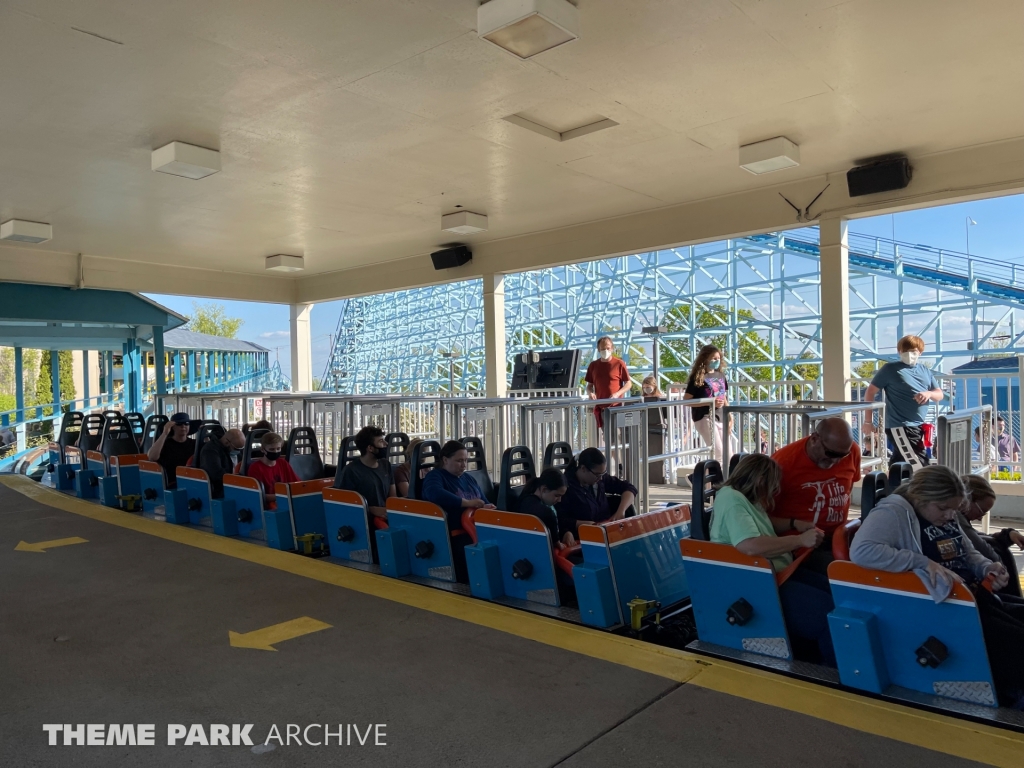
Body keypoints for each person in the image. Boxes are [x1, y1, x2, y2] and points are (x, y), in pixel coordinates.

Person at [850, 466, 1024, 707]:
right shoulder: (895, 512)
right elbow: (861, 552)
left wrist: (986, 567)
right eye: (943, 509)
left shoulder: (945, 514)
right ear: (921, 498)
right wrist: (920, 561)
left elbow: (967, 551)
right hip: (943, 605)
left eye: (954, 509)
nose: (950, 516)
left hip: (969, 597)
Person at [709, 453, 835, 666]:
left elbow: (762, 522)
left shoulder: (744, 497)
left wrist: (795, 523)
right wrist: (799, 540)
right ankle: (832, 670)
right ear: (760, 481)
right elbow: (749, 545)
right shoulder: (732, 500)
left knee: (831, 590)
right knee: (827, 613)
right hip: (758, 583)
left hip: (774, 573)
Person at [770, 418, 862, 573]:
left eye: (843, 456)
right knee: (849, 573)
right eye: (831, 454)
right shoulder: (783, 463)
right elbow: (763, 517)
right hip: (802, 545)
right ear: (814, 439)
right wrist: (796, 527)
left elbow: (848, 489)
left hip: (838, 537)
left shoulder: (852, 451)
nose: (836, 461)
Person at [864, 335, 943, 467]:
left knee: (901, 462)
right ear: (899, 352)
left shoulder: (924, 370)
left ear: (920, 352)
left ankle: (893, 485)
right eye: (905, 351)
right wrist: (868, 421)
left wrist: (929, 393)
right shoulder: (890, 369)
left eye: (913, 351)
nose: (909, 355)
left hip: (918, 425)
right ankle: (926, 486)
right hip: (900, 425)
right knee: (920, 463)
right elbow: (870, 392)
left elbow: (939, 394)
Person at [959, 475, 1024, 597]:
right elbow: (984, 548)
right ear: (967, 500)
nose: (979, 518)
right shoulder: (956, 518)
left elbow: (979, 537)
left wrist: (1008, 534)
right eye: (981, 511)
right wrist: (1002, 568)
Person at [556, 448, 637, 536]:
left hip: (607, 531)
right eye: (597, 475)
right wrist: (584, 524)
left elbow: (629, 488)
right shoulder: (566, 487)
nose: (601, 478)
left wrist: (621, 511)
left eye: (603, 474)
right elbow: (560, 519)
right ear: (583, 468)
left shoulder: (599, 479)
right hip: (586, 535)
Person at [421, 440, 495, 530]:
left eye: (465, 460)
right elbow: (434, 493)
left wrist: (486, 506)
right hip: (457, 531)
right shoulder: (435, 476)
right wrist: (467, 503)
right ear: (445, 460)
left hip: (479, 526)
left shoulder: (469, 478)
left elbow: (483, 501)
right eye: (459, 461)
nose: (464, 465)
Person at [336, 426, 396, 521]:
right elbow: (346, 503)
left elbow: (393, 496)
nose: (386, 444)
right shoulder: (351, 471)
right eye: (381, 441)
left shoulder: (386, 465)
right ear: (370, 448)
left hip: (386, 516)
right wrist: (371, 509)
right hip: (364, 519)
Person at [683, 345, 728, 460]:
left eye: (718, 358)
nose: (717, 361)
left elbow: (724, 397)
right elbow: (687, 401)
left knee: (728, 453)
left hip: (721, 417)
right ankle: (714, 477)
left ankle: (711, 476)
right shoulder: (697, 378)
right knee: (719, 453)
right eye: (714, 358)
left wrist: (730, 415)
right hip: (705, 417)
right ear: (705, 359)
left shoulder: (721, 376)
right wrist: (710, 402)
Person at [519, 469, 577, 549]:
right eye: (557, 496)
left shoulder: (548, 501)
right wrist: (557, 542)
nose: (559, 500)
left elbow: (558, 519)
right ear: (544, 489)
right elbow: (548, 515)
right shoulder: (528, 504)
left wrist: (565, 532)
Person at [584, 336, 632, 430]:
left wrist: (617, 394)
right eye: (602, 349)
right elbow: (589, 385)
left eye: (608, 348)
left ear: (612, 348)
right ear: (598, 349)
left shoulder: (619, 363)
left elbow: (628, 383)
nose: (605, 350)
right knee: (607, 436)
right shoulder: (593, 365)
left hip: (616, 407)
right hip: (601, 407)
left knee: (617, 435)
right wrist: (590, 393)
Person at [245, 431, 299, 509]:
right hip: (269, 507)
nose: (275, 452)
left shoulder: (283, 463)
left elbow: (295, 483)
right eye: (272, 449)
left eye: (278, 448)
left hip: (286, 502)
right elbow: (258, 495)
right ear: (263, 449)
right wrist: (282, 496)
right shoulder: (255, 468)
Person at [147, 412, 196, 488]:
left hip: (193, 480)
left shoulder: (195, 444)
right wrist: (165, 433)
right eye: (179, 424)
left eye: (186, 423)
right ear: (173, 427)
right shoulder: (165, 444)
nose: (183, 426)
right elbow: (152, 457)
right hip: (173, 483)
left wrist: (204, 434)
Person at [198, 427, 246, 499]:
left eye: (241, 449)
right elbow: (216, 474)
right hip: (219, 488)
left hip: (234, 485)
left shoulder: (236, 449)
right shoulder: (210, 450)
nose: (239, 452)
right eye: (236, 449)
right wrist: (236, 481)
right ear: (227, 442)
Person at [642, 375, 668, 484]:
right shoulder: (641, 399)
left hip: (658, 429)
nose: (647, 389)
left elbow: (665, 415)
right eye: (645, 387)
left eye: (649, 386)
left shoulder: (661, 399)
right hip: (646, 428)